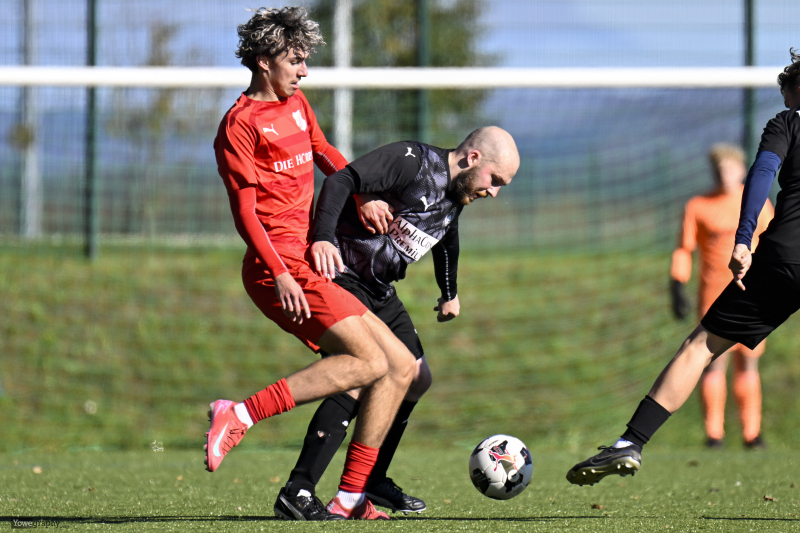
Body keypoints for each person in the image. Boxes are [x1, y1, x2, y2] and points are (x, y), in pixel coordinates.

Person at [209, 7, 417, 521]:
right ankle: (238, 413)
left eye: (304, 61)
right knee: (369, 363)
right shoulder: (238, 126)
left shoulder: (297, 104)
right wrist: (280, 271)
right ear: (263, 61)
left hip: (310, 263)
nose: (304, 71)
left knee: (400, 367)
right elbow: (245, 214)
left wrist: (362, 194)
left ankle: (349, 498)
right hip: (277, 270)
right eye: (295, 61)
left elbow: (325, 152)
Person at [566, 47, 800, 487]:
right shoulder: (700, 205)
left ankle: (631, 442)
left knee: (701, 347)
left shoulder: (788, 124)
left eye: (787, 95)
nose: (785, 103)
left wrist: (744, 239)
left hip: (785, 257)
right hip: (756, 268)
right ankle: (717, 434)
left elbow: (764, 171)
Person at [273, 127, 520, 520]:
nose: (495, 192)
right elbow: (342, 179)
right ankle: (298, 488)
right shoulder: (412, 160)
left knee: (417, 377)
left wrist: (449, 292)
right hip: (342, 276)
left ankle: (370, 479)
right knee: (360, 373)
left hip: (379, 289)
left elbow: (446, 237)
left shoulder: (455, 197)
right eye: (496, 180)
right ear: (473, 159)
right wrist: (321, 238)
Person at [670, 144, 773, 449]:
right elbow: (684, 248)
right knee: (713, 363)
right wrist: (677, 283)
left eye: (729, 168)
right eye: (719, 168)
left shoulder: (756, 202)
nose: (724, 174)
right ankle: (714, 434)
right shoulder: (698, 206)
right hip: (713, 297)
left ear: (742, 170)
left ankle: (751, 433)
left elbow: (775, 242)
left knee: (748, 362)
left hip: (754, 296)